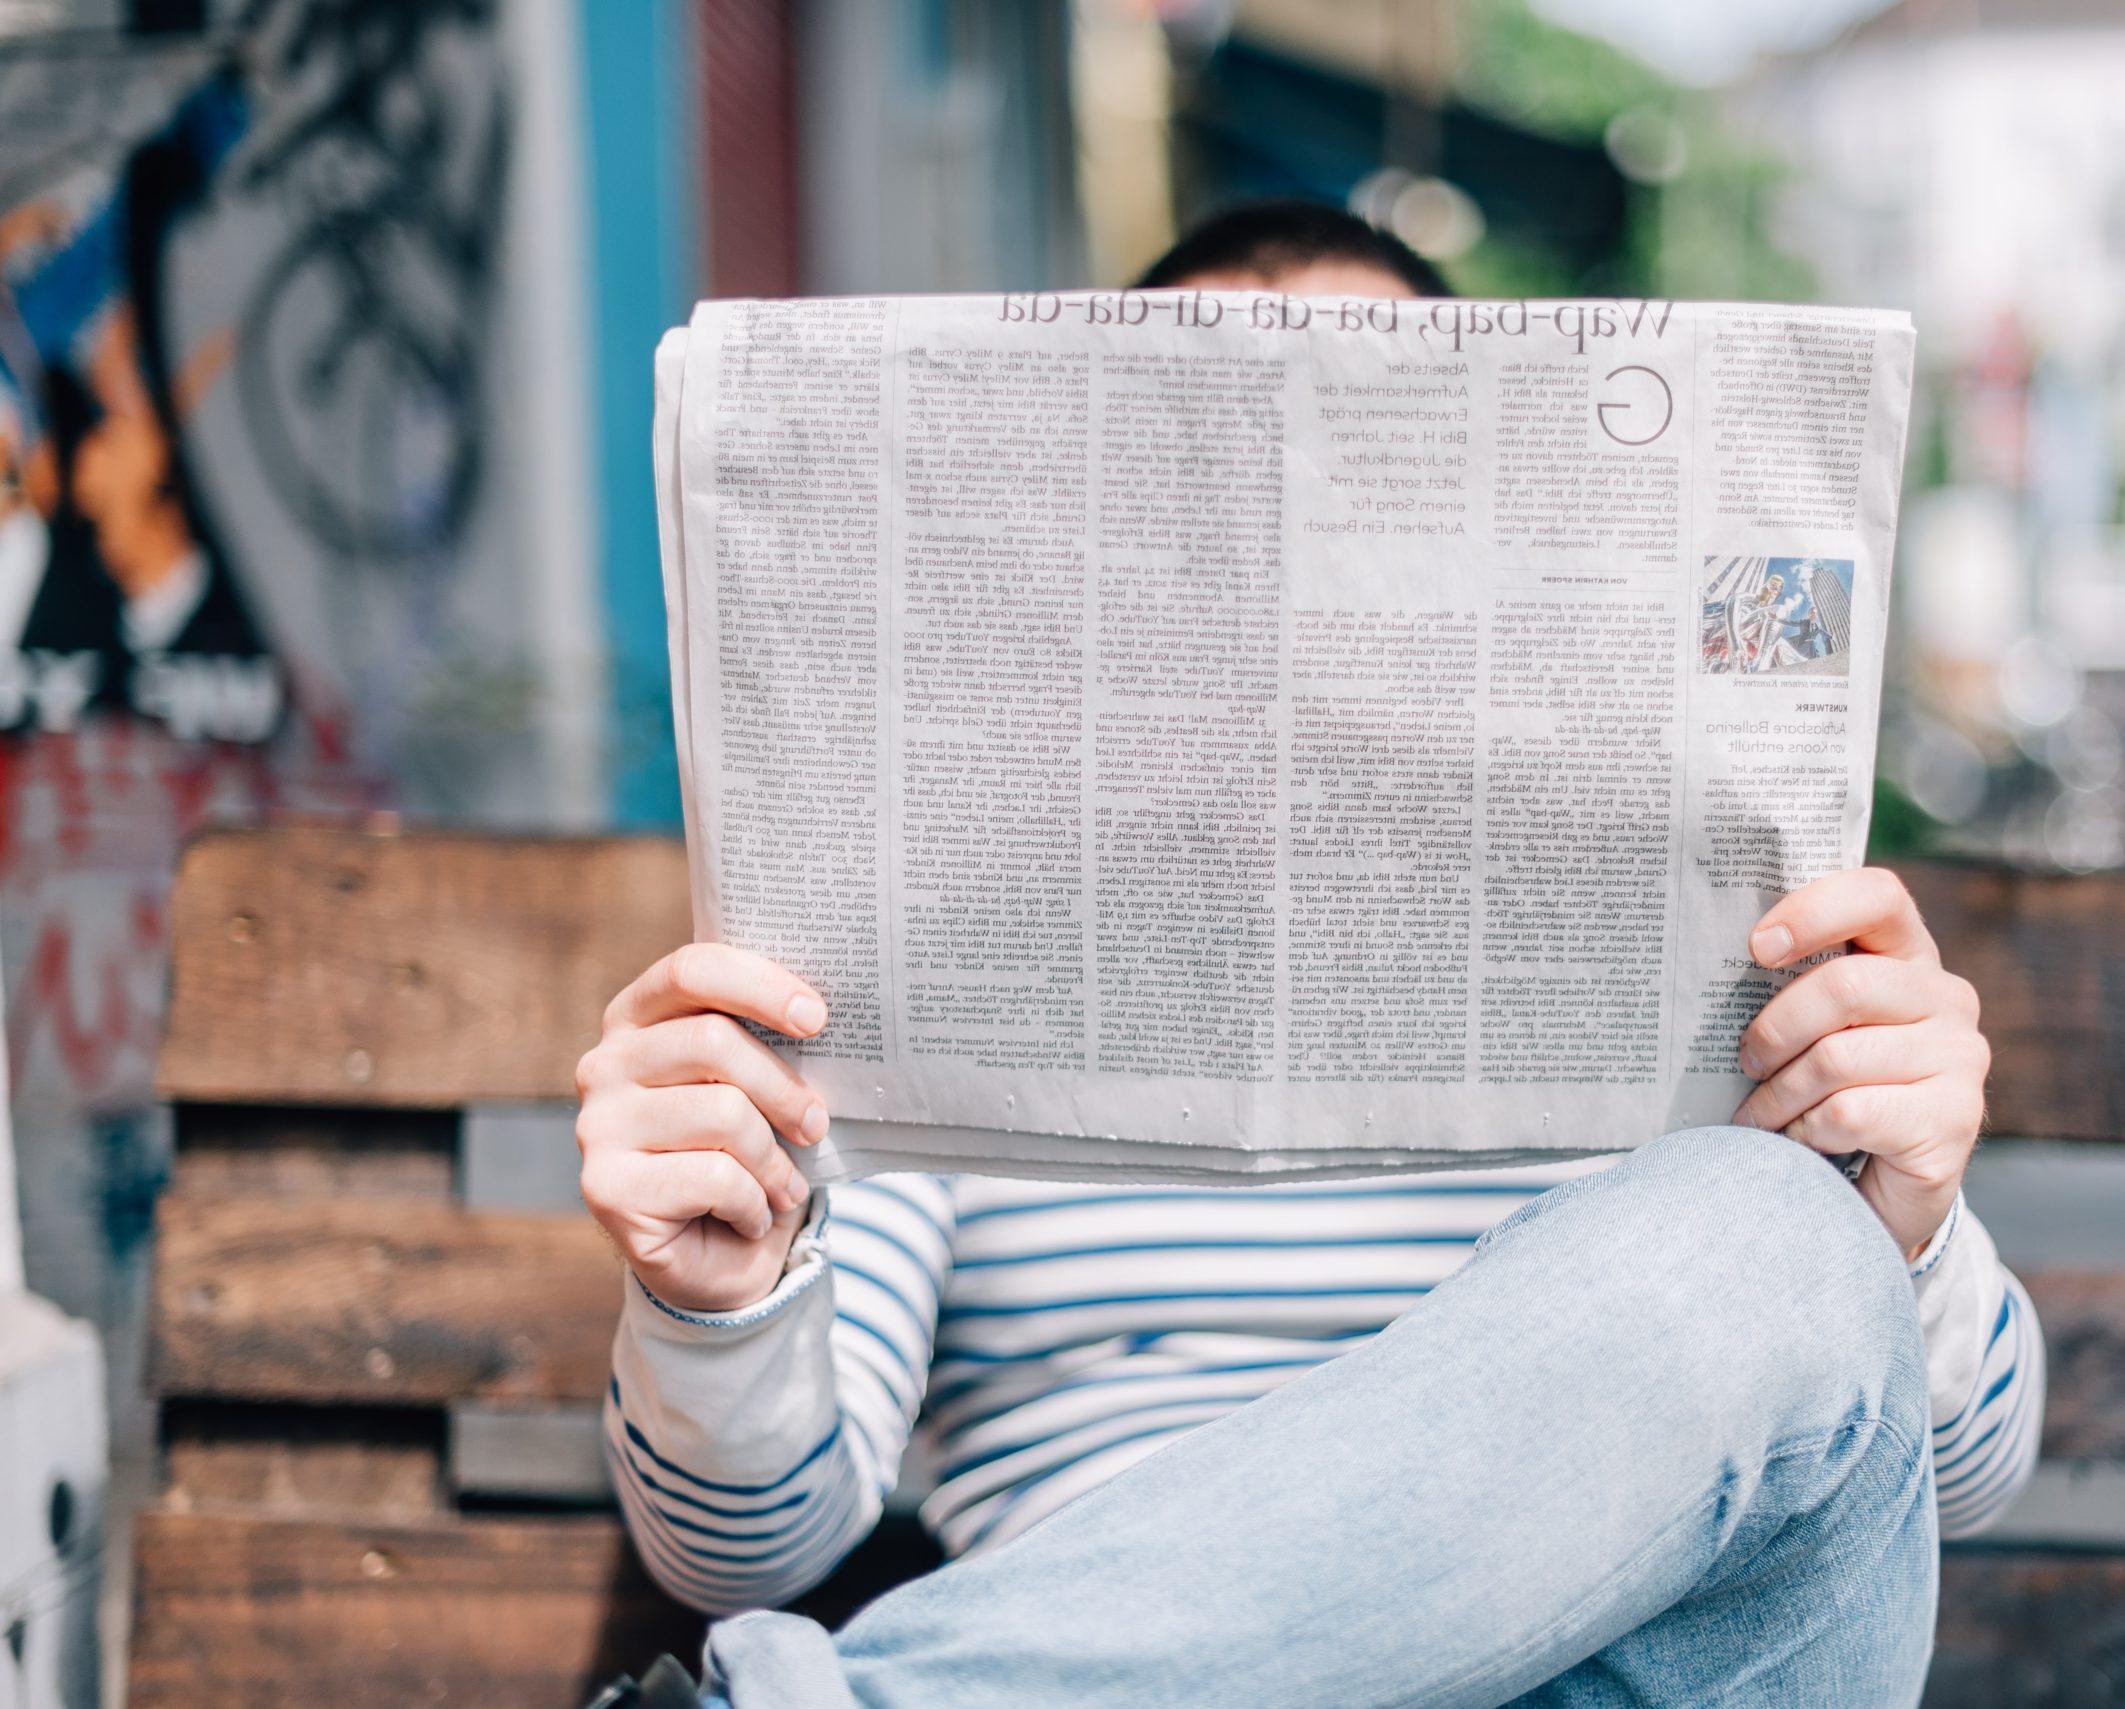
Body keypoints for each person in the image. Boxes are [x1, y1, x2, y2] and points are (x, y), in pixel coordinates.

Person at [580, 201, 2043, 1709]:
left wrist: (1905, 1225)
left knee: (1772, 1231)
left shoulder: (1705, 937)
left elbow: (1957, 1479)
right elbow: (747, 1546)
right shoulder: (938, 948)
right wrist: (716, 1303)